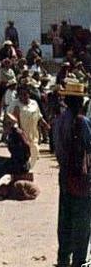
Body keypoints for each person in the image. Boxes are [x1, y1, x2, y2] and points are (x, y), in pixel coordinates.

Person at [53, 79, 91, 267]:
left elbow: (57, 150)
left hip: (64, 174)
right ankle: (79, 260)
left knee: (65, 218)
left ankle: (63, 258)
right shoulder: (83, 122)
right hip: (81, 177)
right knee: (82, 221)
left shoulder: (59, 121)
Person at [9, 83, 49, 168]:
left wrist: (46, 125)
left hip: (34, 135)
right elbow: (10, 120)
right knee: (23, 157)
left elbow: (39, 116)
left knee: (35, 153)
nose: (22, 96)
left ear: (29, 94)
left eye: (24, 94)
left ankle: (28, 170)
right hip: (21, 137)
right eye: (20, 94)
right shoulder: (15, 104)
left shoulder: (34, 103)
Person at [0, 113, 31, 189]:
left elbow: (27, 148)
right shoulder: (11, 134)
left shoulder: (18, 134)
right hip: (15, 161)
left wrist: (22, 160)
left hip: (20, 164)